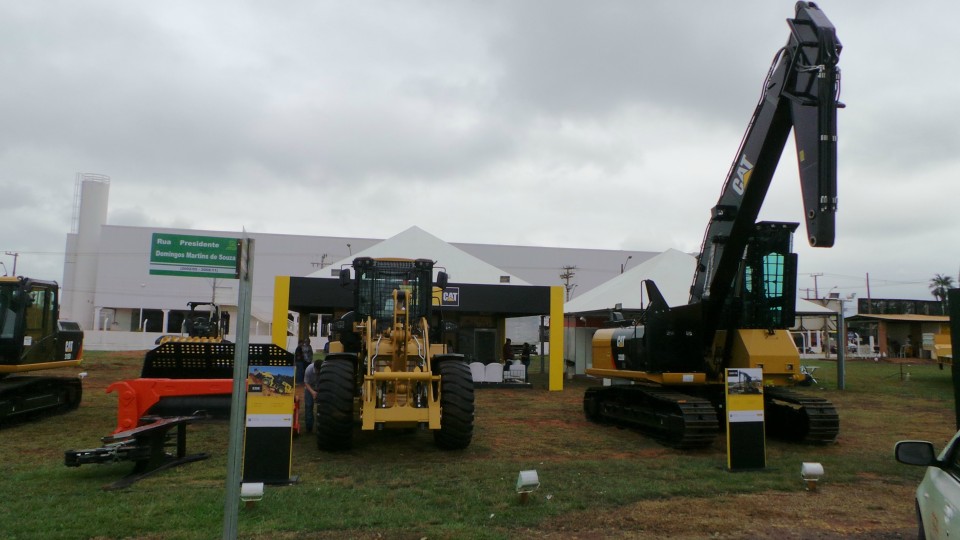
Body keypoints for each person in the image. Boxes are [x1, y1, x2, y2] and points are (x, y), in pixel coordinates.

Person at [302, 358, 321, 433]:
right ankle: (309, 428)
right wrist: (313, 392)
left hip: (320, 388)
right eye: (317, 371)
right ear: (315, 368)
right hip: (309, 388)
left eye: (320, 371)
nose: (319, 372)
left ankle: (320, 427)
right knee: (309, 406)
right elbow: (306, 383)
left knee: (322, 408)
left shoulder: (325, 369)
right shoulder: (309, 369)